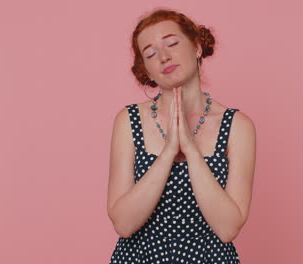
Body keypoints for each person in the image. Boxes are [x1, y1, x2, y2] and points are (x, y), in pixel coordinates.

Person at [107, 8, 256, 264]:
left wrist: (190, 148)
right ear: (146, 70)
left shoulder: (237, 126)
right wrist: (167, 153)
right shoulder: (128, 121)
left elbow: (228, 228)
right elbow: (123, 223)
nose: (163, 57)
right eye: (151, 54)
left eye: (172, 43)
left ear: (197, 47)